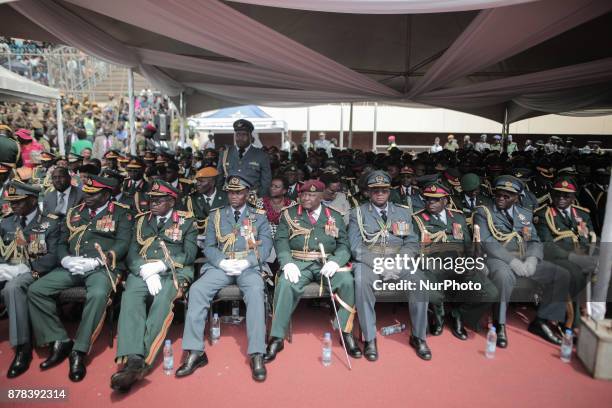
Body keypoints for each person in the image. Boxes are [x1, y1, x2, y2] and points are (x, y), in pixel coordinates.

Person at [28, 175, 133, 382]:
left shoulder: (121, 213)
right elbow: (61, 241)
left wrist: (98, 261)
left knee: (98, 293)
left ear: (106, 194)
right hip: (73, 265)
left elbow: (123, 243)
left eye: (93, 194)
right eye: (86, 192)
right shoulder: (75, 211)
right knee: (36, 290)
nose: (87, 196)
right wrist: (65, 259)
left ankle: (79, 350)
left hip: (101, 268)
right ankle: (58, 339)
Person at [177, 175, 272, 382]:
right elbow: (209, 246)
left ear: (247, 193)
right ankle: (195, 351)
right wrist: (221, 262)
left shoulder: (259, 216)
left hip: (248, 266)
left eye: (238, 192)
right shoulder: (216, 215)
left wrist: (247, 262)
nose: (234, 196)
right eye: (231, 192)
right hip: (222, 266)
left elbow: (265, 246)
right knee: (197, 290)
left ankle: (257, 352)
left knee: (256, 291)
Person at [111, 180, 197, 392]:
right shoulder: (141, 221)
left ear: (171, 201)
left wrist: (161, 266)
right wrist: (143, 270)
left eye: (159, 200)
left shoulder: (187, 221)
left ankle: (139, 363)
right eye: (151, 199)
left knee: (162, 301)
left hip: (173, 271)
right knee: (130, 297)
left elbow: (189, 254)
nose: (153, 203)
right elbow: (131, 252)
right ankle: (133, 356)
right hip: (143, 272)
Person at [265, 180, 361, 363]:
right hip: (298, 262)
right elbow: (281, 241)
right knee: (285, 283)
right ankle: (277, 337)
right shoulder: (288, 214)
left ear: (322, 197)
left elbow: (343, 245)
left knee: (348, 281)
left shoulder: (334, 215)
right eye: (303, 194)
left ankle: (345, 331)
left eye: (312, 195)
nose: (306, 198)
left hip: (327, 263)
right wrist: (286, 263)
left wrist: (335, 261)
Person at [473, 176, 571, 348]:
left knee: (561, 274)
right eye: (498, 195)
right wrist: (512, 261)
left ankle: (542, 321)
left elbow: (534, 240)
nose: (501, 199)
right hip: (499, 259)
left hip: (525, 258)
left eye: (507, 196)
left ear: (517, 197)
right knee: (504, 276)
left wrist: (532, 260)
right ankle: (499, 323)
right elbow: (488, 242)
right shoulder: (484, 211)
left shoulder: (524, 214)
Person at [349, 171, 431, 360]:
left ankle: (419, 337)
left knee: (420, 282)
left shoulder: (402, 212)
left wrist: (398, 261)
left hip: (398, 262)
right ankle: (369, 338)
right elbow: (355, 246)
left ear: (389, 191)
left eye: (384, 190)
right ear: (368, 193)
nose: (379, 194)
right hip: (370, 263)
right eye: (375, 190)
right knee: (361, 281)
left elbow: (411, 243)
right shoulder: (357, 213)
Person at [412, 182, 498, 340]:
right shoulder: (418, 219)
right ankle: (439, 315)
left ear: (446, 200)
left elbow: (467, 245)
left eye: (436, 199)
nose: (430, 202)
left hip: (459, 265)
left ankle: (458, 315)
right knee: (432, 293)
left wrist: (473, 262)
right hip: (432, 268)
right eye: (428, 199)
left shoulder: (457, 217)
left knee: (490, 293)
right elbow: (415, 251)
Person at [0, 181, 60, 378]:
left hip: (38, 272)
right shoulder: (7, 222)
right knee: (11, 283)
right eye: (11, 202)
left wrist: (24, 269)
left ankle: (22, 348)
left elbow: (51, 258)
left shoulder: (50, 222)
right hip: (10, 269)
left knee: (13, 288)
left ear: (33, 200)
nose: (13, 206)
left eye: (18, 202)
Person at [534, 176, 597, 327]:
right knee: (574, 273)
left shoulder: (582, 214)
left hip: (582, 256)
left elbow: (591, 238)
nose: (561, 198)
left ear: (573, 197)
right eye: (557, 194)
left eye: (566, 195)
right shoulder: (544, 214)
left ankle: (595, 317)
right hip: (557, 258)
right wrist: (574, 257)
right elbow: (547, 245)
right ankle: (570, 322)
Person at [217, 119, 271, 197]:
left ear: (250, 136)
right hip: (229, 199)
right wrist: (221, 198)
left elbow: (266, 183)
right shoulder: (225, 154)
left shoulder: (261, 155)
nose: (240, 138)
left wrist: (259, 200)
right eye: (238, 135)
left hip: (252, 200)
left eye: (244, 135)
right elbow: (219, 179)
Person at [186, 167, 228, 236]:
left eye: (201, 181)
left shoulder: (226, 197)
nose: (198, 184)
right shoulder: (192, 199)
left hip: (222, 236)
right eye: (197, 181)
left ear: (212, 182)